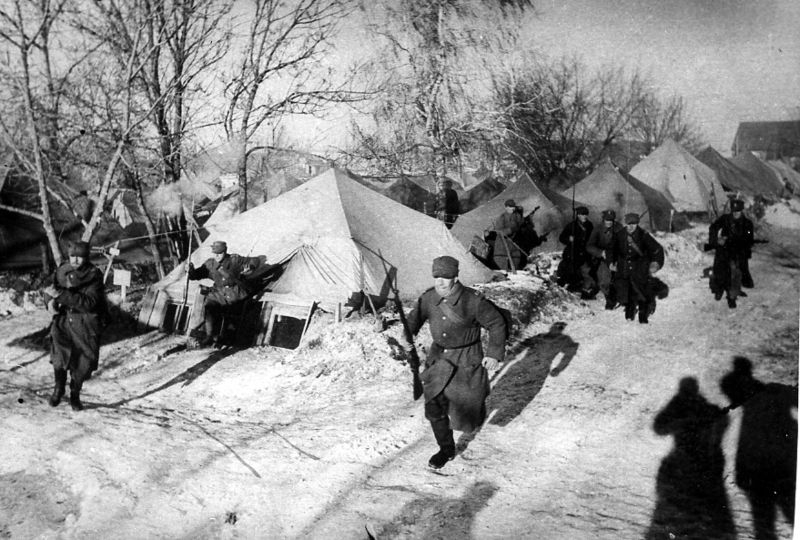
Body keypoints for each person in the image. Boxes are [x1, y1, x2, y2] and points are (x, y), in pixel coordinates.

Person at [406, 256, 508, 470]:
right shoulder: (428, 298)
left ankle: (474, 415)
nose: (440, 282)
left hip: (466, 359)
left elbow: (497, 323)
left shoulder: (473, 300)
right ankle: (446, 449)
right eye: (436, 277)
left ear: (455, 277)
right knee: (434, 407)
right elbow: (412, 323)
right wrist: (404, 335)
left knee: (466, 410)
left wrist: (493, 353)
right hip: (438, 359)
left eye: (445, 277)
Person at [42, 241, 108, 411]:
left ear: (86, 258)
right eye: (73, 256)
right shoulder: (62, 270)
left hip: (85, 324)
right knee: (60, 357)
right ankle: (58, 389)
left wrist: (61, 295)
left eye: (80, 257)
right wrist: (49, 302)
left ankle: (75, 395)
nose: (76, 261)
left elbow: (89, 302)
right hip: (63, 322)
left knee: (83, 364)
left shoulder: (94, 275)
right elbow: (49, 288)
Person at [187, 240, 262, 347]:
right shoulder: (210, 264)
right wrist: (191, 271)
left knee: (233, 316)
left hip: (235, 293)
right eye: (215, 254)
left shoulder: (234, 260)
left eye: (220, 253)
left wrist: (250, 267)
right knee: (209, 307)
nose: (217, 256)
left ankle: (230, 340)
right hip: (218, 293)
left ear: (225, 252)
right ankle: (209, 336)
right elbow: (197, 275)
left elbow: (255, 260)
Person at [610, 213, 664, 324]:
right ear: (625, 223)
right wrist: (611, 262)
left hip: (640, 267)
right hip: (624, 267)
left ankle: (643, 315)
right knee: (627, 289)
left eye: (633, 224)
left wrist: (656, 263)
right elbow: (611, 249)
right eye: (628, 224)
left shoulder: (643, 235)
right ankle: (629, 313)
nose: (631, 227)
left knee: (641, 291)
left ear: (637, 224)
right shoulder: (620, 235)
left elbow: (657, 249)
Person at [708, 199, 754, 308]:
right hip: (724, 251)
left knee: (735, 273)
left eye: (738, 211)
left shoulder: (747, 223)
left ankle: (732, 297)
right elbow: (713, 227)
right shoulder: (725, 219)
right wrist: (715, 240)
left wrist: (744, 248)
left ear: (742, 211)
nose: (736, 213)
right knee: (720, 271)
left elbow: (749, 239)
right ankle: (719, 290)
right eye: (734, 211)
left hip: (737, 252)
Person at [586, 209, 625, 309]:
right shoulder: (597, 229)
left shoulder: (619, 228)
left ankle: (622, 297)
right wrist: (600, 253)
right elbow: (589, 246)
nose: (609, 222)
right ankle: (610, 298)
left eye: (611, 220)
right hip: (603, 259)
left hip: (616, 257)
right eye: (607, 220)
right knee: (604, 281)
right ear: (603, 220)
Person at [556, 206, 595, 297]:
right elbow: (562, 238)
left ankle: (586, 289)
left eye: (585, 215)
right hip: (573, 252)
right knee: (569, 270)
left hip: (585, 252)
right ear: (578, 215)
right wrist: (569, 239)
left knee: (587, 271)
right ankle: (570, 287)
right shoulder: (571, 226)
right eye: (582, 214)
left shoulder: (590, 225)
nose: (584, 216)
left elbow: (593, 238)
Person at [491, 199, 525, 271]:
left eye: (513, 207)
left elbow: (521, 224)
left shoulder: (517, 216)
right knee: (502, 263)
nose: (513, 208)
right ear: (506, 207)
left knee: (516, 259)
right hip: (502, 244)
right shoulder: (502, 217)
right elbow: (499, 231)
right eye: (510, 207)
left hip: (514, 243)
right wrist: (510, 230)